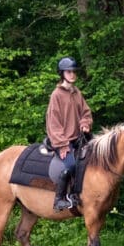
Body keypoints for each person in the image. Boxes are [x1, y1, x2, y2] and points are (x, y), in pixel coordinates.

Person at [45, 57, 93, 212]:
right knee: (70, 165)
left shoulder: (76, 92)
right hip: (62, 141)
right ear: (62, 74)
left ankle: (78, 194)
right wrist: (63, 143)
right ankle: (59, 200)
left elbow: (86, 112)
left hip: (78, 139)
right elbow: (54, 122)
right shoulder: (56, 95)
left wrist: (85, 124)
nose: (72, 74)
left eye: (74, 72)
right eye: (68, 72)